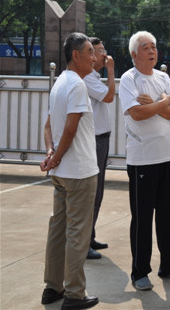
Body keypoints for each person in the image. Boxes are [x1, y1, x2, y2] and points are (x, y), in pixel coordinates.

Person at [119, 31, 170, 291]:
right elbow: (137, 113)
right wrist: (162, 104)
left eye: (154, 47)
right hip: (142, 159)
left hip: (166, 156)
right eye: (145, 47)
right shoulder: (129, 79)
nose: (152, 51)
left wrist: (156, 105)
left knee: (167, 214)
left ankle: (168, 265)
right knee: (142, 217)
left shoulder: (162, 77)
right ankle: (140, 271)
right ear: (134, 54)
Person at [40, 32, 100, 310]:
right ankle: (75, 294)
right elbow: (70, 129)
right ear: (76, 55)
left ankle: (53, 287)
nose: (94, 57)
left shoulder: (59, 84)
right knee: (77, 233)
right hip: (79, 172)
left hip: (62, 172)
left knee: (58, 229)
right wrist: (56, 157)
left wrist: (50, 155)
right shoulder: (76, 84)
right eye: (90, 52)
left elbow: (48, 126)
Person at [83, 37, 115, 260]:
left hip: (101, 139)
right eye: (99, 51)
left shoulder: (94, 77)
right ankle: (84, 242)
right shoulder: (88, 78)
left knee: (98, 191)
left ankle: (89, 235)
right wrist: (111, 71)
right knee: (92, 193)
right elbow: (109, 96)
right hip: (94, 140)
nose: (104, 55)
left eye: (104, 50)